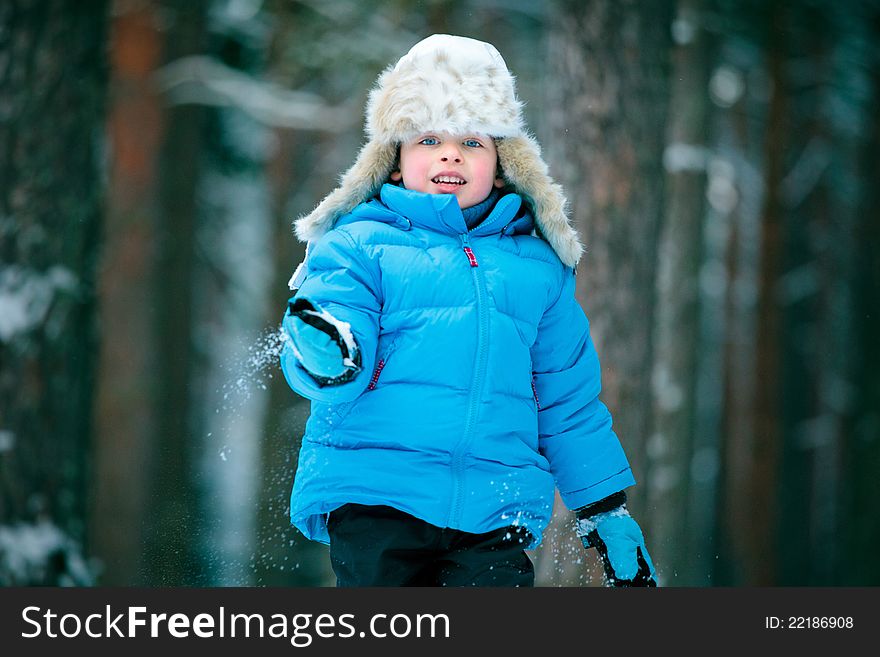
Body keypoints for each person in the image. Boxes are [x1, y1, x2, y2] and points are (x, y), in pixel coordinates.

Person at [279, 34, 657, 587]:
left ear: (503, 166)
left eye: (473, 142)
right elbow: (334, 337)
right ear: (392, 162)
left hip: (494, 508)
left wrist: (604, 509)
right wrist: (328, 351)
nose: (450, 153)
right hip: (378, 493)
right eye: (428, 138)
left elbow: (567, 400)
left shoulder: (537, 269)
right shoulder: (359, 246)